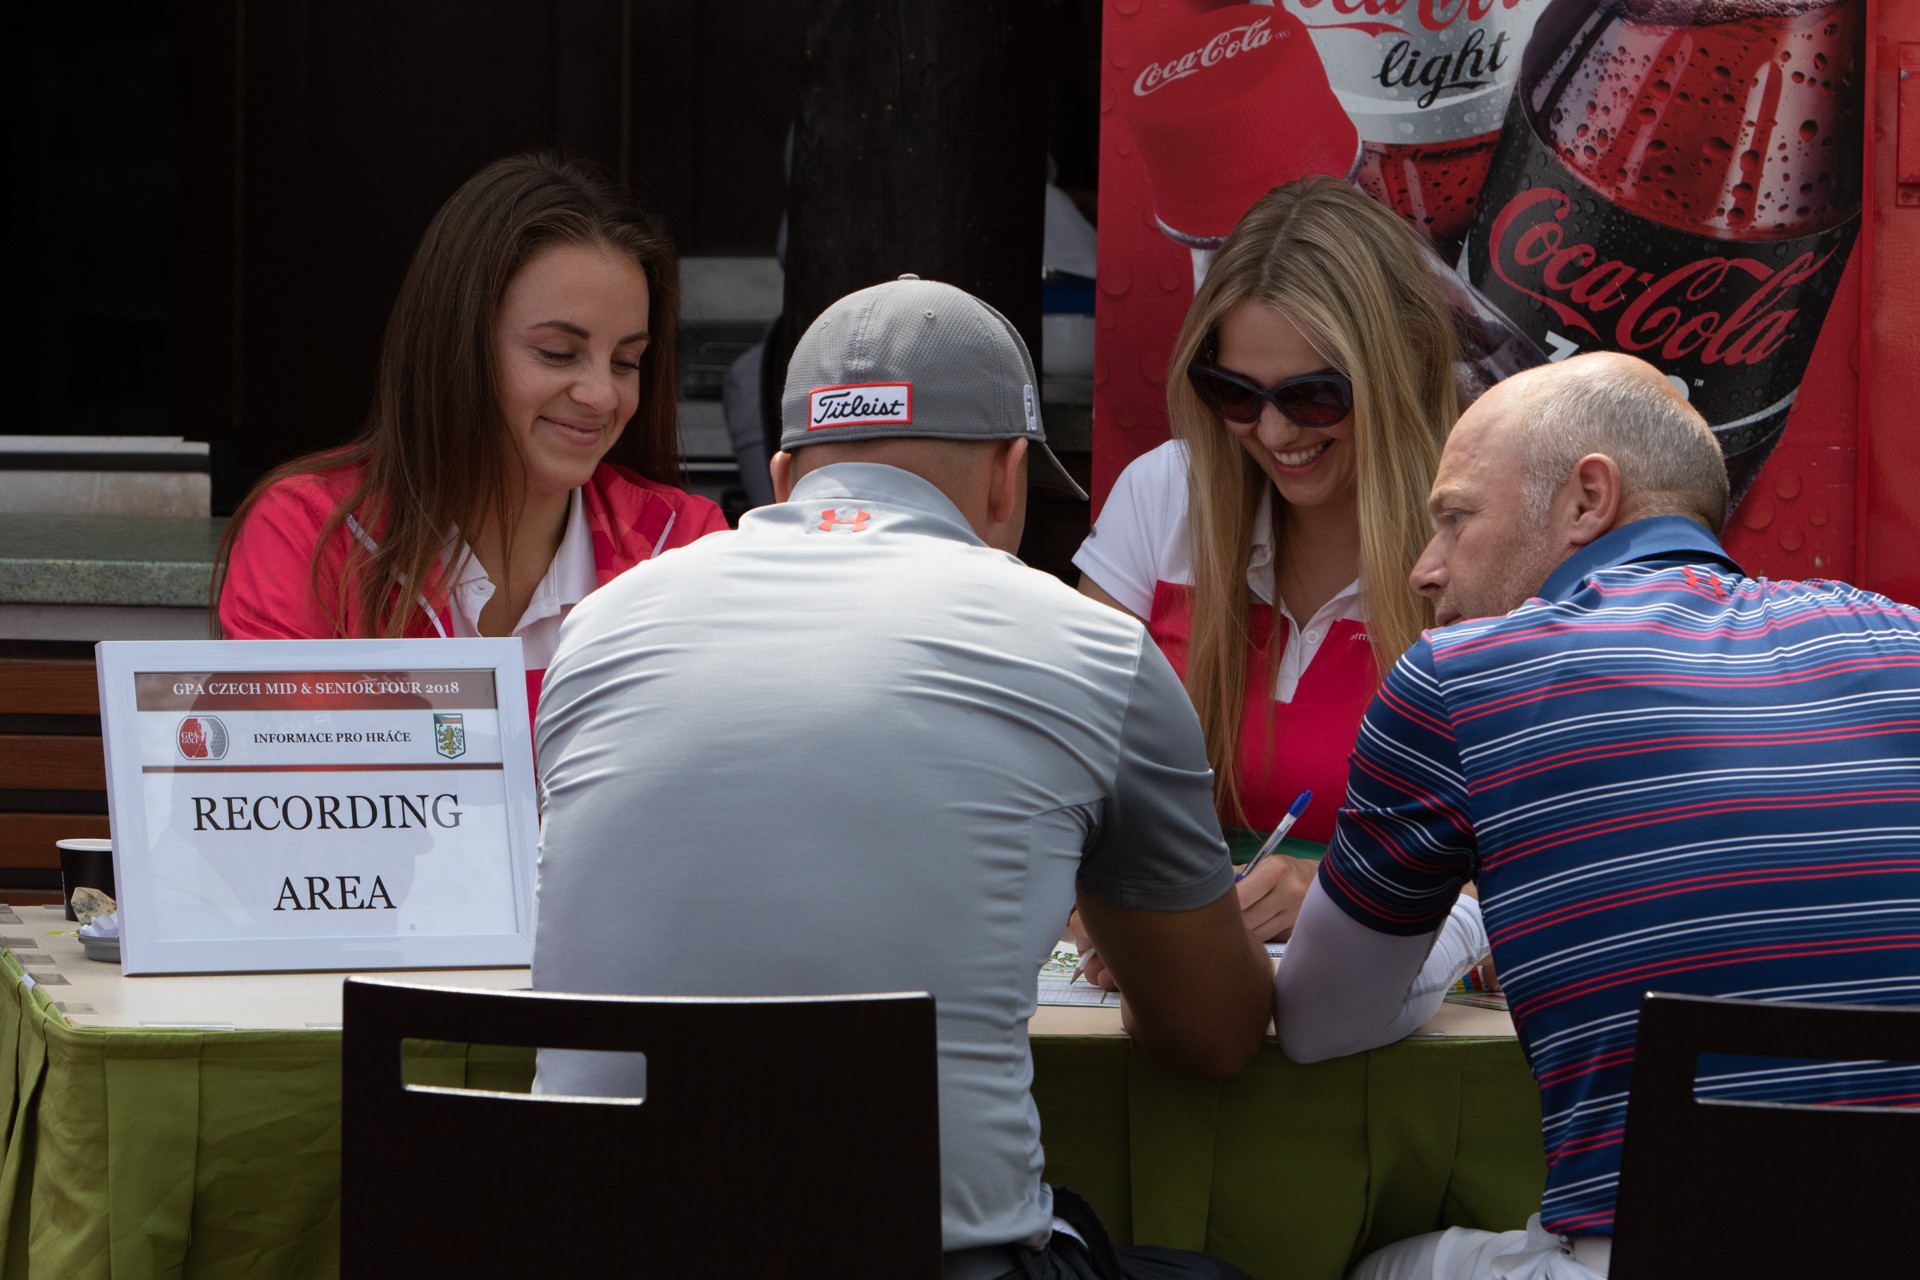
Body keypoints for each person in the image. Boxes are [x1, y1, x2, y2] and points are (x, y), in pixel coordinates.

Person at [532, 275, 1274, 1280]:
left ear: (784, 477)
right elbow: (1214, 1032)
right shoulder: (1093, 649)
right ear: (1007, 477)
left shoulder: (595, 631)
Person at [1274, 352, 1920, 1280]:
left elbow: (1319, 1023)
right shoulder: (1902, 637)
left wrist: (1468, 916)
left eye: (1455, 519)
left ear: (1588, 499)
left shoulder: (1460, 675)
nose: (1425, 569)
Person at [1073, 176, 1459, 944]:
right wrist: (1109, 902)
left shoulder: (1483, 532)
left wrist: (1339, 895)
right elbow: (1064, 772)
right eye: (1237, 394)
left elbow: (1548, 868)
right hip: (1178, 965)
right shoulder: (1166, 494)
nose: (1276, 433)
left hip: (1399, 982)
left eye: (1314, 396)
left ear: (1407, 358)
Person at [212, 153, 727, 714]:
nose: (603, 395)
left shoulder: (683, 544)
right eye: (558, 353)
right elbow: (279, 761)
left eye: (627, 362)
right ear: (455, 345)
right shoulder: (312, 533)